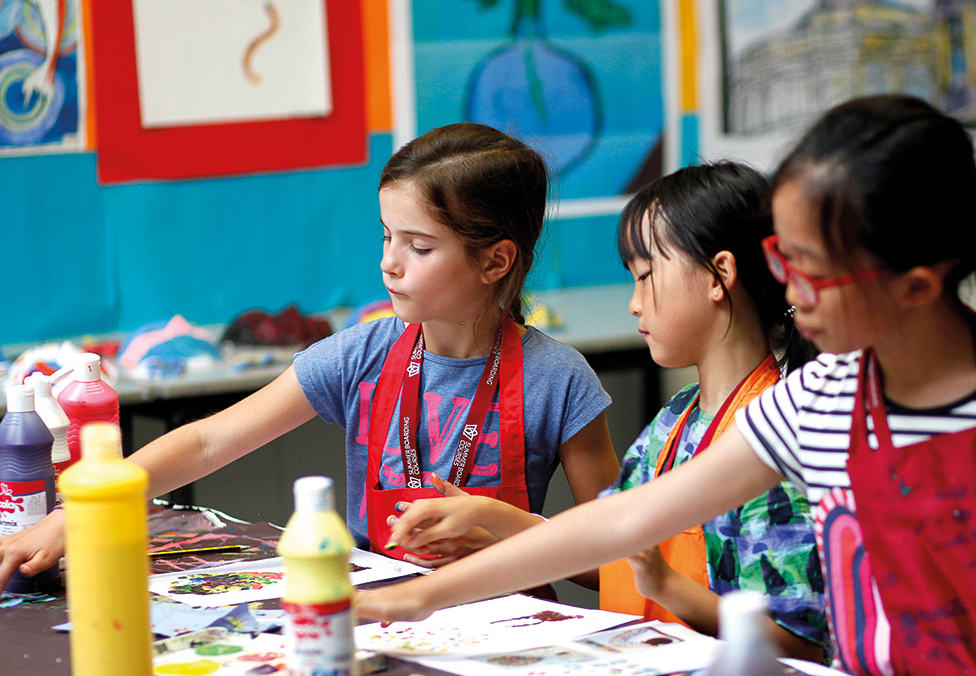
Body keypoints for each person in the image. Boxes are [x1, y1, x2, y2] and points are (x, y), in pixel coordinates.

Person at [356, 95, 976, 676]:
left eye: (813, 269)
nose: (791, 288)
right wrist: (415, 597)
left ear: (916, 285)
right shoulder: (822, 399)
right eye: (783, 257)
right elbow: (625, 519)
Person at [0, 123, 621, 588]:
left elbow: (615, 558)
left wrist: (504, 530)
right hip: (371, 613)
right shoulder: (363, 355)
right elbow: (207, 442)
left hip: (508, 626)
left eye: (420, 246)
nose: (389, 262)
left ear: (495, 260)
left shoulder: (558, 379)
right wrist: (76, 514)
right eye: (386, 236)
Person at [387, 162, 825, 659]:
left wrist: (665, 586)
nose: (634, 304)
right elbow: (606, 543)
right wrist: (493, 518)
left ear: (718, 275)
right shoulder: (675, 420)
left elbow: (803, 645)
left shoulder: (776, 437)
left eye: (645, 276)